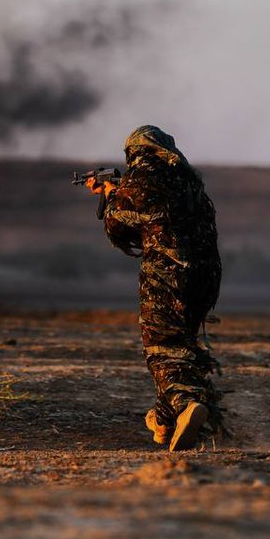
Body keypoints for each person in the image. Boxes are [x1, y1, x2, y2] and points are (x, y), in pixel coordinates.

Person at [86, 125, 224, 450]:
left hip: (169, 277)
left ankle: (185, 403)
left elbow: (118, 228)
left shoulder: (143, 180)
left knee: (163, 349)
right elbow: (161, 220)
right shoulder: (191, 183)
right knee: (183, 346)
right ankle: (164, 421)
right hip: (206, 278)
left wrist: (110, 197)